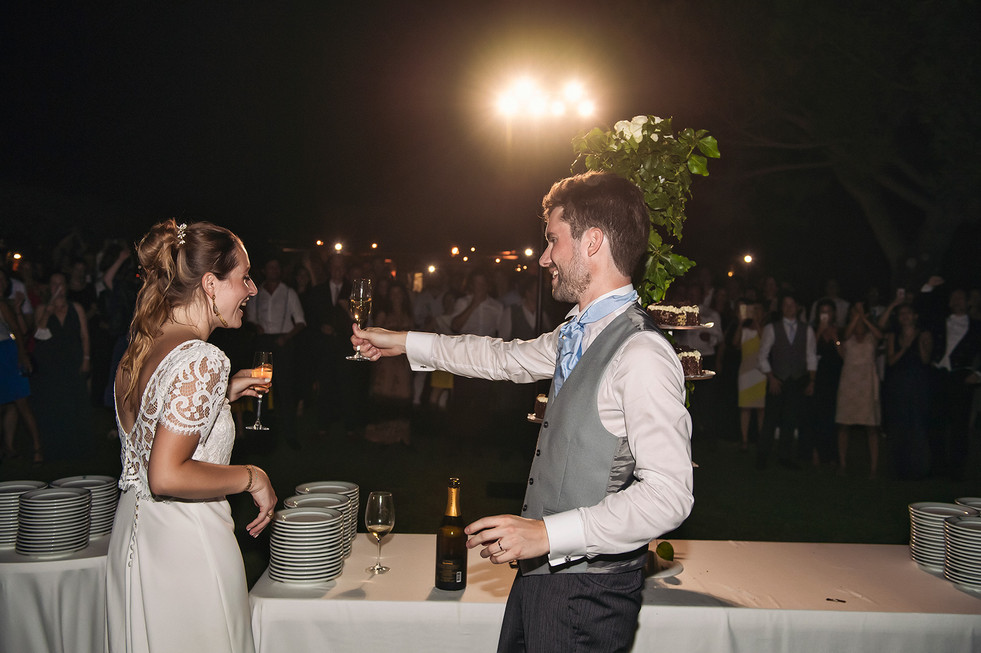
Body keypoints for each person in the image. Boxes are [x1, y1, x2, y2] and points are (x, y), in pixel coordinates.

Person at [352, 171, 693, 652]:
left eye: (553, 240)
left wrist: (546, 533)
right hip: (541, 577)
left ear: (593, 242)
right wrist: (401, 342)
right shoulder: (578, 331)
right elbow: (501, 358)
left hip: (589, 596)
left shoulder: (641, 353)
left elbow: (669, 495)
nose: (544, 256)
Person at [106, 220, 276, 653]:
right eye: (243, 278)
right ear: (210, 284)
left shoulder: (142, 344)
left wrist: (222, 394)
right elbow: (166, 474)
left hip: (135, 537)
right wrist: (252, 476)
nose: (252, 290)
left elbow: (151, 426)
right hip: (187, 545)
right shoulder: (203, 359)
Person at [31, 272, 92, 461]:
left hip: (72, 362)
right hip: (51, 366)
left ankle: (78, 450)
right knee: (54, 406)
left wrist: (86, 358)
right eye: (53, 283)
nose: (57, 287)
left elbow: (84, 336)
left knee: (75, 404)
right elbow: (38, 336)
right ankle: (55, 450)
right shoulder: (42, 309)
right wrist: (47, 313)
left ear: (66, 286)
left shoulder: (76, 308)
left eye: (61, 283)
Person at [757, 292, 817, 469]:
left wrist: (812, 380)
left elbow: (811, 356)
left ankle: (785, 457)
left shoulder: (807, 330)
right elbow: (762, 356)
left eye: (792, 305)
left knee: (790, 420)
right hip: (777, 378)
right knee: (770, 420)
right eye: (785, 305)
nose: (788, 308)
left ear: (798, 307)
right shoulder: (771, 328)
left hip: (797, 379)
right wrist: (771, 377)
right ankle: (762, 457)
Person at [835, 303, 883, 477]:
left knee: (871, 427)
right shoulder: (846, 334)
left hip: (867, 383)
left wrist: (865, 319)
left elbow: (880, 335)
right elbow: (845, 336)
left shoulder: (871, 335)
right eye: (855, 312)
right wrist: (857, 317)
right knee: (844, 425)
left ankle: (873, 468)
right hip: (849, 382)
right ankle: (842, 463)